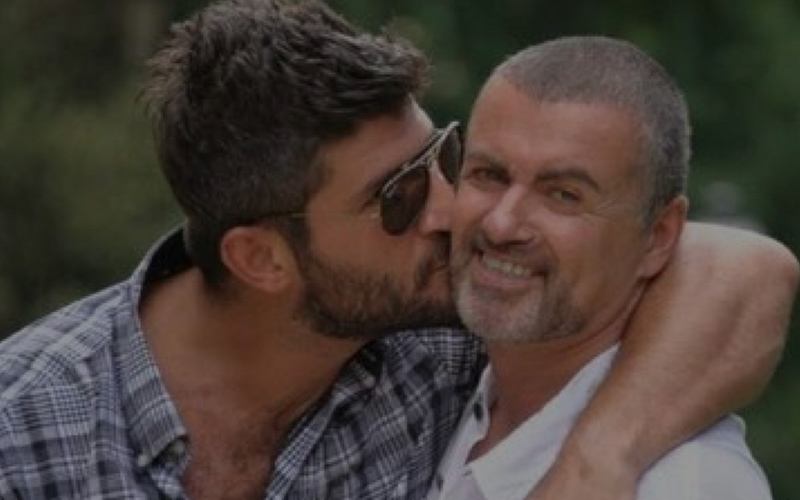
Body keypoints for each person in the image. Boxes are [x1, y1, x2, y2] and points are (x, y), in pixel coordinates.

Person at [0, 2, 796, 499]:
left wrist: (599, 463)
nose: (458, 214)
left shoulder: (442, 338)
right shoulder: (23, 432)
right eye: (399, 197)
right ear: (262, 260)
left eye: (444, 158)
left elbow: (741, 269)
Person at [428, 36, 788, 500]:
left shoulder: (681, 485)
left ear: (658, 236)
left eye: (563, 195)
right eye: (488, 175)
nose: (501, 224)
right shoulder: (427, 383)